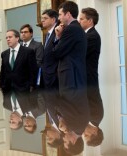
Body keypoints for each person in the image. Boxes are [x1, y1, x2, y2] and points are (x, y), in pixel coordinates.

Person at [52, 1, 90, 131]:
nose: (59, 18)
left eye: (60, 14)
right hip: (74, 77)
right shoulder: (76, 28)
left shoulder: (71, 29)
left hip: (70, 79)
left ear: (68, 14)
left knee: (70, 109)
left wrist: (57, 37)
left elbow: (57, 53)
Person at [79, 7, 104, 146]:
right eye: (87, 135)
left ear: (90, 21)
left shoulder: (92, 36)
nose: (84, 133)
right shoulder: (96, 117)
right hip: (88, 80)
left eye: (81, 18)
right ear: (95, 133)